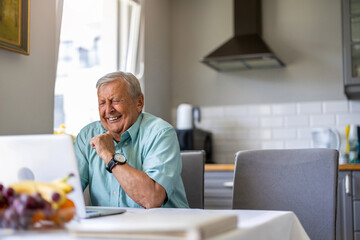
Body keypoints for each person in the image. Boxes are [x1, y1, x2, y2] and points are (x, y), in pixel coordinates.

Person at [74, 71, 189, 209]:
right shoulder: (87, 135)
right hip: (108, 227)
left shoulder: (161, 133)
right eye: (102, 103)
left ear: (139, 103)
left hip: (162, 227)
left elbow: (151, 199)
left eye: (115, 101)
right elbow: (67, 191)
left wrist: (109, 156)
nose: (109, 110)